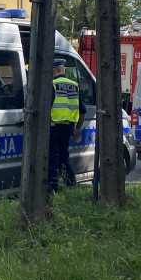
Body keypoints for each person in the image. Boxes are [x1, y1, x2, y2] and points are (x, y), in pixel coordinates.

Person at [49, 58, 85, 192]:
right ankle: (71, 185)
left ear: (54, 70)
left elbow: (45, 107)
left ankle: (53, 190)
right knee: (64, 158)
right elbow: (82, 110)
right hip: (68, 127)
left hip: (53, 126)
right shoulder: (74, 85)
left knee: (52, 159)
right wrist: (78, 129)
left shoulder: (52, 84)